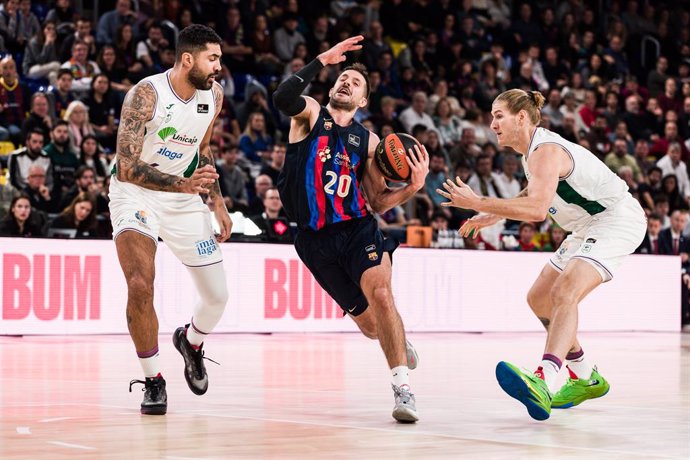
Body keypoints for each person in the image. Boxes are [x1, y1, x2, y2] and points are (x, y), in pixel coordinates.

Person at [438, 88, 646, 421]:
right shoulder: (532, 154)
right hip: (585, 226)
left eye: (498, 115)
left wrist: (479, 202)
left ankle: (546, 378)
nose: (492, 124)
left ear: (521, 117)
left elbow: (536, 210)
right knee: (539, 298)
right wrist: (496, 213)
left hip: (615, 219)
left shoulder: (546, 150)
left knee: (565, 291)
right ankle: (585, 374)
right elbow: (534, 192)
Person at [272, 36, 429, 423]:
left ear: (362, 102)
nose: (346, 82)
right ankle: (397, 340)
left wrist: (411, 188)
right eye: (341, 78)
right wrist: (319, 60)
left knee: (382, 294)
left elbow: (376, 202)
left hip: (359, 229)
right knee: (370, 326)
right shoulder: (309, 114)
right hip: (313, 240)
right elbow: (282, 97)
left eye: (355, 83)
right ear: (330, 88)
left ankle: (402, 388)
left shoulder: (370, 141)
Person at [109, 25, 232, 416]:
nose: (219, 66)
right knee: (141, 285)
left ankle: (191, 342)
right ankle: (153, 380)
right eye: (213, 58)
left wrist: (218, 202)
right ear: (187, 59)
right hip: (136, 194)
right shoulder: (146, 94)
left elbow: (204, 147)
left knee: (217, 297)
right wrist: (182, 185)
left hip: (184, 197)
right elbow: (126, 167)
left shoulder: (214, 95)